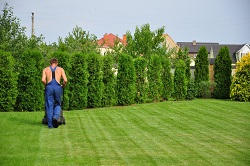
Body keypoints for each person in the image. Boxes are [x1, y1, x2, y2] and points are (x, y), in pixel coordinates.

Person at [42, 58, 67, 128]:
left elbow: (43, 80)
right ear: (57, 63)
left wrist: (46, 85)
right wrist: (63, 85)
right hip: (58, 88)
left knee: (49, 105)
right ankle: (55, 117)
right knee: (58, 104)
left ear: (50, 63)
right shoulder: (61, 69)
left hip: (49, 87)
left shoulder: (45, 69)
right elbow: (65, 80)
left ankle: (50, 125)